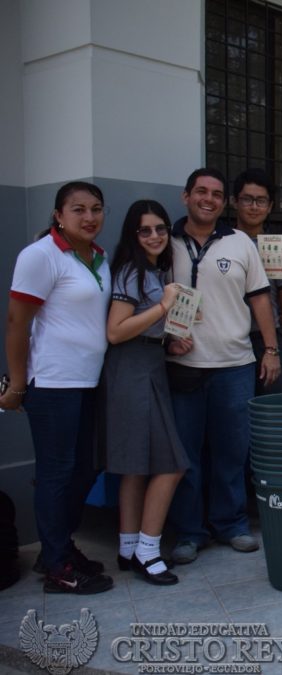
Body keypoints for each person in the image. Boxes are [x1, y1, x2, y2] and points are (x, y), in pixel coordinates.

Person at [2, 181, 113, 594]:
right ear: (58, 215)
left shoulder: (100, 258)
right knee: (57, 472)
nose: (89, 218)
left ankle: (58, 547)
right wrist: (16, 384)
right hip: (52, 382)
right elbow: (17, 323)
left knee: (86, 469)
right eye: (78, 209)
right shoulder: (41, 255)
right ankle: (56, 567)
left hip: (89, 380)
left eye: (96, 209)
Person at [166, 168, 281, 565]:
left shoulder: (240, 244)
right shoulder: (167, 242)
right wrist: (165, 338)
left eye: (216, 193)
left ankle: (231, 524)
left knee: (232, 451)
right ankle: (189, 532)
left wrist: (270, 349)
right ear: (186, 196)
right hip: (182, 363)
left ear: (224, 202)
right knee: (186, 453)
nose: (208, 199)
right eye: (201, 191)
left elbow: (261, 299)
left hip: (234, 363)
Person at [102, 200, 188, 585]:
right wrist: (164, 307)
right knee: (171, 465)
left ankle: (127, 545)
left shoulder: (151, 270)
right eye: (145, 230)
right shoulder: (131, 272)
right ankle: (148, 551)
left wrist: (169, 340)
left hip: (148, 364)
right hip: (132, 370)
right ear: (133, 235)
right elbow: (116, 331)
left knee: (136, 467)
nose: (155, 236)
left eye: (160, 228)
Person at [231, 168, 282, 396]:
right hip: (228, 341)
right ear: (234, 202)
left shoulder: (275, 249)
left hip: (266, 342)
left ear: (270, 206)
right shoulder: (222, 242)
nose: (254, 206)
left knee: (269, 416)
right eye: (247, 199)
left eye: (261, 201)